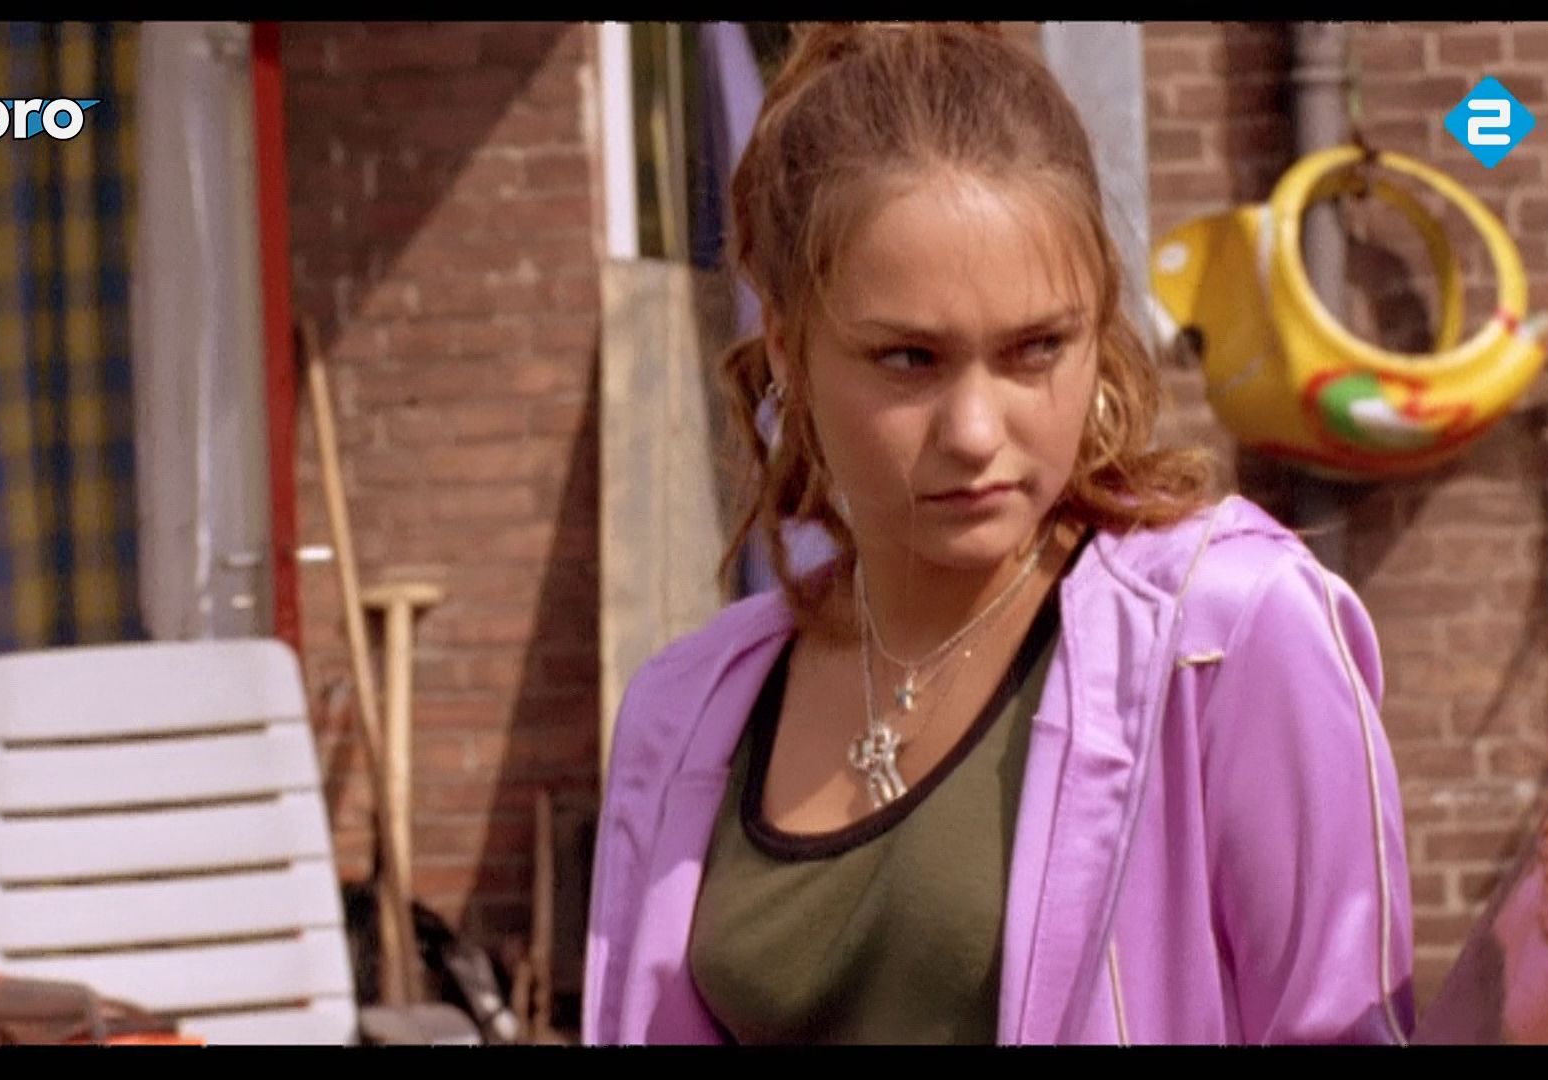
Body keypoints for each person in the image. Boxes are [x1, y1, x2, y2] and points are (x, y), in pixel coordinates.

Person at [583, 22, 1413, 1045]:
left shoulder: (1226, 641)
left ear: (1098, 329)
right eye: (909, 359)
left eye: (1035, 348)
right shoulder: (684, 711)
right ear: (790, 354)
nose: (976, 432)